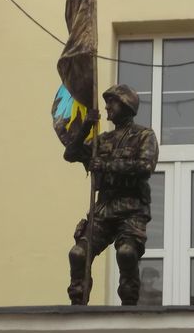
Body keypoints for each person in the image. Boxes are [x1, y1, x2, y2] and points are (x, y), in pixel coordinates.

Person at [65, 84, 159, 305]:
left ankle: (129, 302)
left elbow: (145, 166)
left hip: (131, 209)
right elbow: (70, 154)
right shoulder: (102, 140)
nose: (106, 107)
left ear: (126, 105)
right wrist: (86, 126)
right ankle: (78, 302)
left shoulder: (144, 135)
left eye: (112, 103)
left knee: (126, 253)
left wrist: (107, 165)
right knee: (78, 253)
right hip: (104, 209)